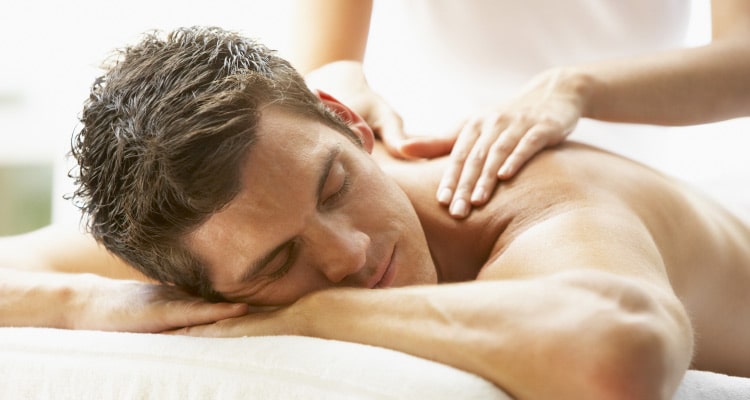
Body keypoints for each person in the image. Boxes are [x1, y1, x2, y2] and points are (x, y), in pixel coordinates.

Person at [1, 26, 749, 400]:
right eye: (279, 261)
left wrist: (311, 312)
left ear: (350, 124)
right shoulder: (225, 224)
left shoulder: (531, 198)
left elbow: (619, 353)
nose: (349, 253)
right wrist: (85, 303)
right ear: (202, 288)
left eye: (335, 187)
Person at [290, 0, 750, 219]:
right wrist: (335, 89)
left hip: (627, 184)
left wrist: (574, 88)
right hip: (436, 174)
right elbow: (324, 64)